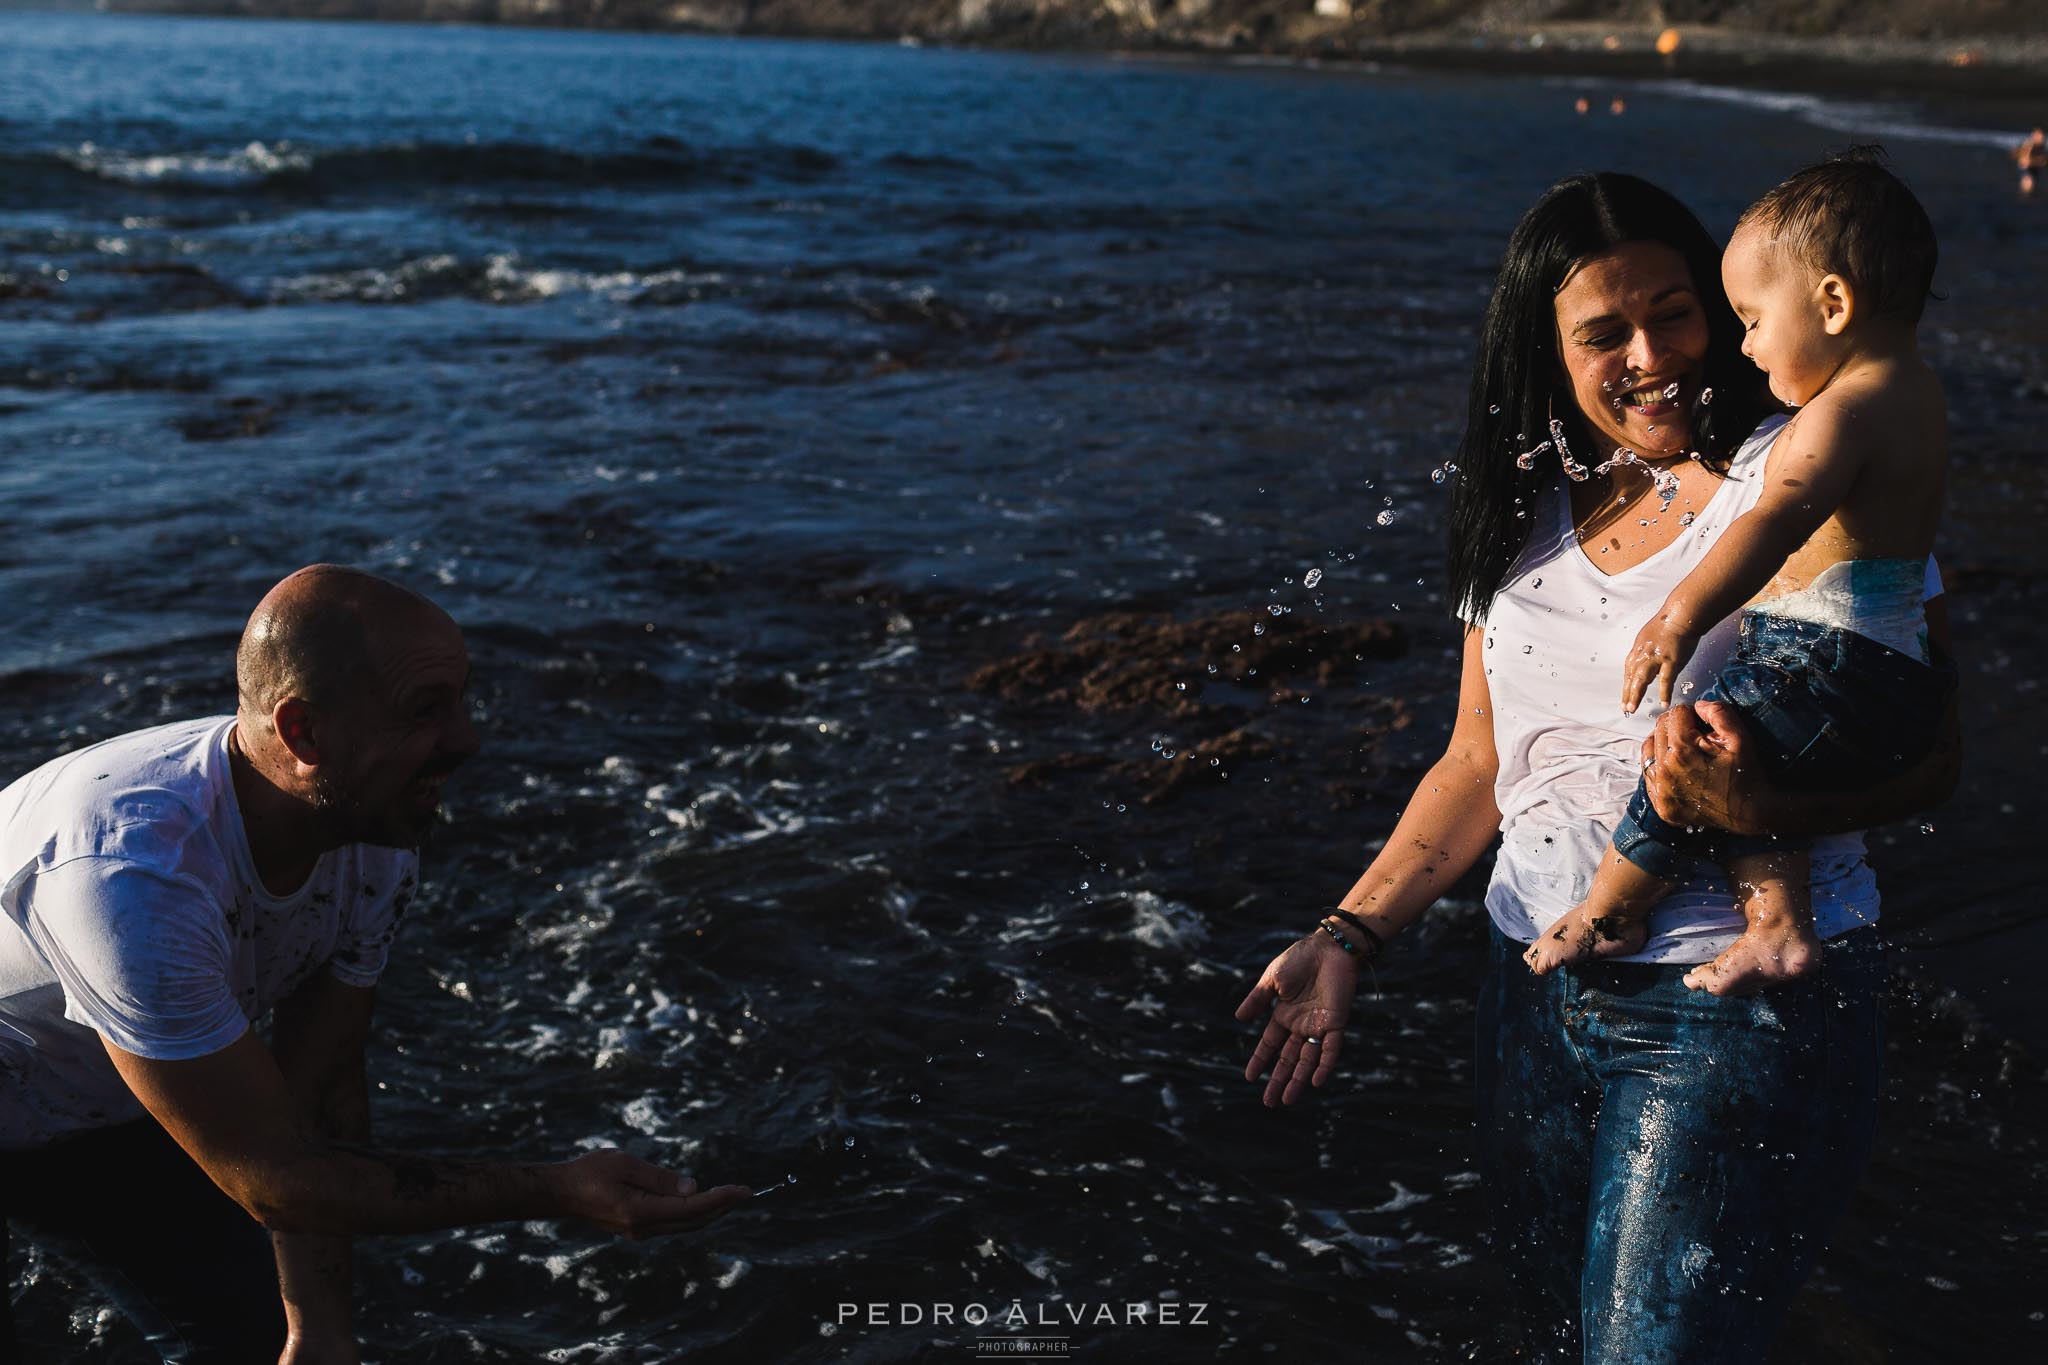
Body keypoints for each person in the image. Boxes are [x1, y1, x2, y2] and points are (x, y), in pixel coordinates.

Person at [1233, 174, 1958, 1361]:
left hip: (1731, 1006)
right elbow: (1478, 762)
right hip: (1530, 985)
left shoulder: (1807, 461)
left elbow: (1930, 748)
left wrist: (1765, 803)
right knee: (1554, 1336)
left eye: (1673, 313)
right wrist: (1346, 934)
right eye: (1602, 333)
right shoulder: (1516, 503)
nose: (1650, 355)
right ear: (1544, 349)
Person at [1, 566, 749, 1363]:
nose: (468, 739)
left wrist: (318, 1329)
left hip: (94, 1088)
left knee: (245, 1336)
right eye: (425, 709)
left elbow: (316, 1087)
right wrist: (555, 1186)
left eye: (462, 699)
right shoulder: (134, 877)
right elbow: (275, 1179)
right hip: (33, 1077)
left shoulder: (368, 825)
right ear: (304, 735)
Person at [1525, 150, 1953, 993]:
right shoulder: (1922, 396)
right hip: (1895, 665)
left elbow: (1775, 518)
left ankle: (1610, 908)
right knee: (1755, 747)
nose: (1746, 346)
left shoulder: (1845, 413)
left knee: (1688, 752)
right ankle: (1777, 920)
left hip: (1835, 657)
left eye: (1754, 319)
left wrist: (1679, 615)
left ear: (1832, 303)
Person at [2017, 127, 2045, 196]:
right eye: (2035, 135)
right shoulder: (2028, 144)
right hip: (2027, 169)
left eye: (2039, 135)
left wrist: (2030, 161)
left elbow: (2042, 161)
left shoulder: (2041, 148)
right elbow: (2016, 154)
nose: (2037, 137)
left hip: (2033, 169)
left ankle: (2029, 189)